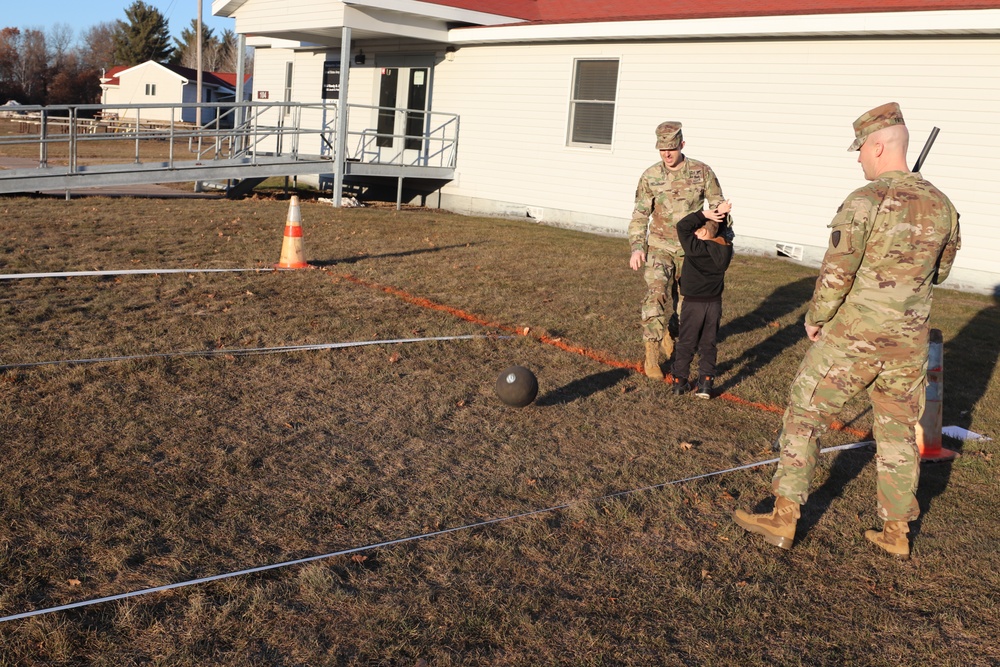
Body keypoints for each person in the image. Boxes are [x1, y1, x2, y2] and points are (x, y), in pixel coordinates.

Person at [732, 102, 961, 559]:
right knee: (897, 432)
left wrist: (816, 319)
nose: (858, 158)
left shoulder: (864, 201)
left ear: (879, 146)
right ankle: (896, 530)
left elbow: (837, 273)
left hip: (855, 336)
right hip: (908, 342)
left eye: (861, 150)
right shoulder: (943, 206)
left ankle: (783, 516)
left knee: (805, 410)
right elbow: (941, 273)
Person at [629, 121, 726, 380]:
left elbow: (718, 206)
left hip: (691, 250)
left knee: (686, 305)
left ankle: (670, 331)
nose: (667, 155)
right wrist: (637, 248)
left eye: (671, 149)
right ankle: (651, 355)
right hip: (659, 246)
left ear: (682, 144)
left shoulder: (701, 171)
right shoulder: (650, 176)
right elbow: (640, 215)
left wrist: (711, 231)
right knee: (656, 295)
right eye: (662, 150)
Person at [670, 200, 734, 399]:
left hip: (693, 304)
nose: (695, 232)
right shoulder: (725, 249)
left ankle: (680, 381)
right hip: (714, 304)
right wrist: (719, 215)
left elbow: (683, 226)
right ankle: (706, 383)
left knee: (687, 342)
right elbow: (719, 231)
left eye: (698, 230)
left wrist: (705, 213)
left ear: (703, 232)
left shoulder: (695, 248)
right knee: (708, 343)